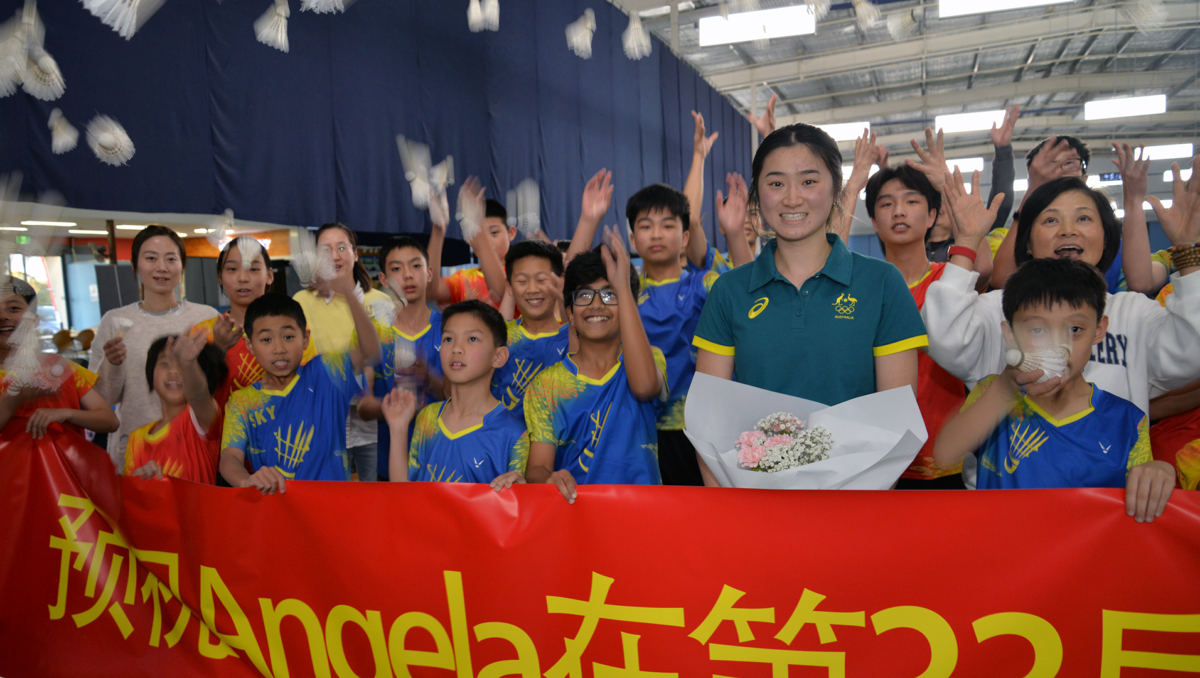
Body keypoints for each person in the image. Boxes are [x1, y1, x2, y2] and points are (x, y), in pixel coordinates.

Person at [692, 123, 928, 484]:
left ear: (836, 189)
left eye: (808, 181)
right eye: (775, 183)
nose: (792, 198)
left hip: (859, 499)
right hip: (757, 500)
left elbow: (893, 423)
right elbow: (709, 424)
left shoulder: (882, 284)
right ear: (757, 196)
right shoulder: (729, 291)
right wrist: (730, 508)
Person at [924, 158, 1200, 434]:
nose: (1068, 230)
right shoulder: (1000, 308)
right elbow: (942, 336)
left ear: (1106, 238)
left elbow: (1192, 351)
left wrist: (1188, 252)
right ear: (1028, 244)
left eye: (1084, 218)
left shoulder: (1133, 313)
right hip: (1012, 476)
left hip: (1113, 476)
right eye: (1051, 220)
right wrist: (968, 241)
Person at [933, 258, 1176, 522]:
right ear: (1010, 334)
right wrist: (1005, 390)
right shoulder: (993, 392)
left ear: (1099, 330)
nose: (1058, 345)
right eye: (1037, 329)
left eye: (1074, 329)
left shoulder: (1127, 420)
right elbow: (945, 454)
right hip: (1003, 555)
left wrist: (1159, 470)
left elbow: (1143, 496)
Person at [524, 230, 668, 503]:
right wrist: (547, 478)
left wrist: (623, 286)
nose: (596, 305)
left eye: (609, 294)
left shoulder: (650, 360)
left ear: (627, 304)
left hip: (644, 513)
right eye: (584, 296)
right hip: (578, 516)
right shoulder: (546, 385)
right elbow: (538, 467)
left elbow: (644, 387)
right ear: (570, 313)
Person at [864, 165, 969, 489]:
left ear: (933, 214)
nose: (898, 211)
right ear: (873, 221)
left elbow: (982, 264)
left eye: (911, 201)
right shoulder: (862, 288)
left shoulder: (950, 278)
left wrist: (952, 193)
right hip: (875, 458)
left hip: (945, 459)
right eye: (885, 204)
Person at [220, 287, 382, 494]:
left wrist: (348, 292)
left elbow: (371, 349)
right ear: (250, 345)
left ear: (305, 339)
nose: (279, 348)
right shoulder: (241, 402)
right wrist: (246, 480)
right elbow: (229, 458)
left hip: (335, 512)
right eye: (266, 340)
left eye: (288, 337)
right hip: (280, 517)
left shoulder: (326, 373)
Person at [89, 225, 219, 471]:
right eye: (151, 258)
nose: (162, 267)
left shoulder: (205, 317)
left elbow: (214, 389)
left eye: (171, 259)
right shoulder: (114, 321)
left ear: (182, 265)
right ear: (135, 266)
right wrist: (112, 364)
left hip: (191, 452)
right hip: (134, 451)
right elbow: (103, 399)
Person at [381, 300, 528, 489]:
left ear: (498, 357)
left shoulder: (514, 433)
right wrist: (398, 428)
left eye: (472, 339)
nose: (456, 348)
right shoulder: (428, 417)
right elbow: (404, 493)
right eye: (448, 339)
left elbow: (513, 508)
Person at [293, 222, 393, 482]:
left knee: (374, 497)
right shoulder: (301, 302)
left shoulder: (381, 302)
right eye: (326, 250)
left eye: (342, 247)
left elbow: (387, 360)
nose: (335, 256)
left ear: (355, 253)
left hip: (372, 420)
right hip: (322, 418)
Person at [355, 236, 444, 481]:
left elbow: (463, 396)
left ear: (429, 273)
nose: (407, 275)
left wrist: (429, 379)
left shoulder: (450, 328)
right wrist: (394, 407)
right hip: (388, 468)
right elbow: (363, 406)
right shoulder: (372, 334)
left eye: (416, 266)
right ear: (383, 280)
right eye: (396, 268)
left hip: (444, 466)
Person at [197, 237, 318, 411]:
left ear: (269, 275)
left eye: (253, 269)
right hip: (222, 436)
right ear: (220, 277)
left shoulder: (295, 330)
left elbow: (309, 389)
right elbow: (194, 396)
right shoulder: (203, 334)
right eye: (232, 269)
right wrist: (216, 349)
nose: (243, 278)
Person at [0, 278, 119, 438]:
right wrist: (13, 399)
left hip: (63, 462)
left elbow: (110, 420)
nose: (3, 316)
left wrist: (65, 414)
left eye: (13, 308)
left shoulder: (61, 367)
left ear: (35, 320)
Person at [123, 327, 229, 484]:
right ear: (151, 372)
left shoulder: (198, 419)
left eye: (181, 365)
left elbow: (198, 394)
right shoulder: (135, 439)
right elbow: (129, 494)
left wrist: (188, 363)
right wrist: (139, 480)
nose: (173, 371)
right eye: (165, 363)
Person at [989, 134, 1092, 287]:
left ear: (1084, 178)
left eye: (1070, 164)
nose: (1059, 172)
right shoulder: (999, 238)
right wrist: (1032, 191)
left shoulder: (1103, 234)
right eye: (1050, 166)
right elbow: (1001, 280)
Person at [902, 126, 995, 292]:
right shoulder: (903, 259)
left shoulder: (959, 251)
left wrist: (947, 185)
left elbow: (981, 270)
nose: (938, 209)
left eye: (940, 201)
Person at [925, 106, 1018, 266]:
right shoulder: (911, 249)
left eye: (944, 201)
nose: (940, 208)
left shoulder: (974, 238)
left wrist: (1003, 152)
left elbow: (1002, 203)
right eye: (935, 202)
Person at [491, 239, 569, 419]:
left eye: (541, 280)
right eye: (522, 281)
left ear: (559, 281)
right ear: (509, 286)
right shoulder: (498, 337)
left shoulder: (573, 339)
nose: (532, 289)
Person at [427, 179, 512, 312]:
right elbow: (430, 292)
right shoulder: (464, 279)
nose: (488, 241)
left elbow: (501, 291)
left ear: (511, 233)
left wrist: (479, 233)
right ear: (469, 240)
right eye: (481, 233)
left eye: (494, 233)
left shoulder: (520, 274)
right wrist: (438, 231)